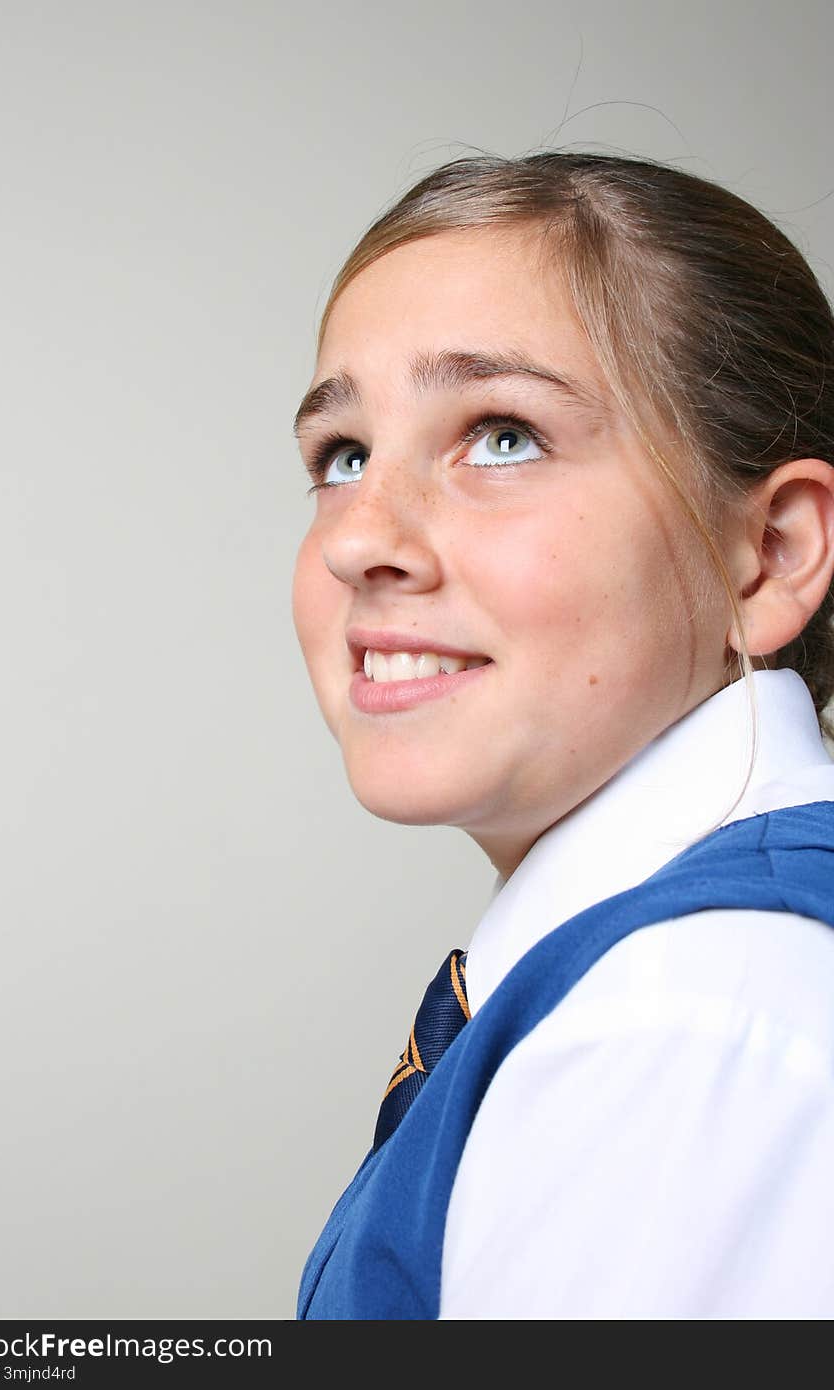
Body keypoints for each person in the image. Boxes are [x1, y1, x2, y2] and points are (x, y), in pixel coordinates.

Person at [289, 150, 834, 1319]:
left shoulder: (679, 1027)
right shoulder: (636, 984)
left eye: (501, 436)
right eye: (342, 457)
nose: (356, 539)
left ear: (772, 553)